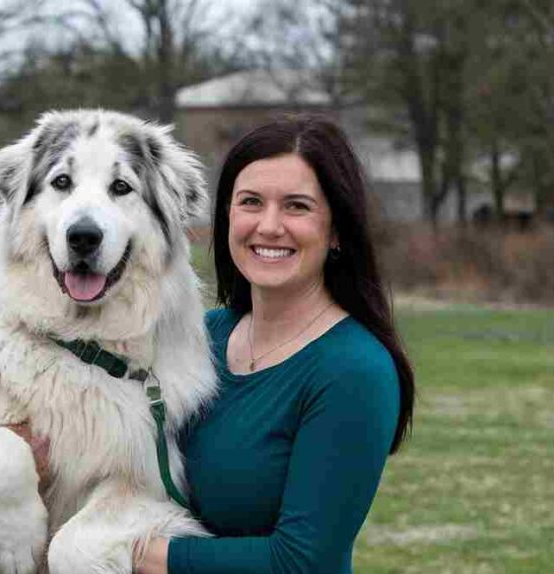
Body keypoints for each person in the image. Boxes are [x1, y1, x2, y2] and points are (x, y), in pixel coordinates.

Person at [135, 116, 416, 574]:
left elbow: (302, 561)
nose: (268, 226)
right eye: (250, 202)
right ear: (227, 215)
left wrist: (125, 552)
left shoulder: (354, 370)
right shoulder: (198, 336)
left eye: (296, 207)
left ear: (337, 230)